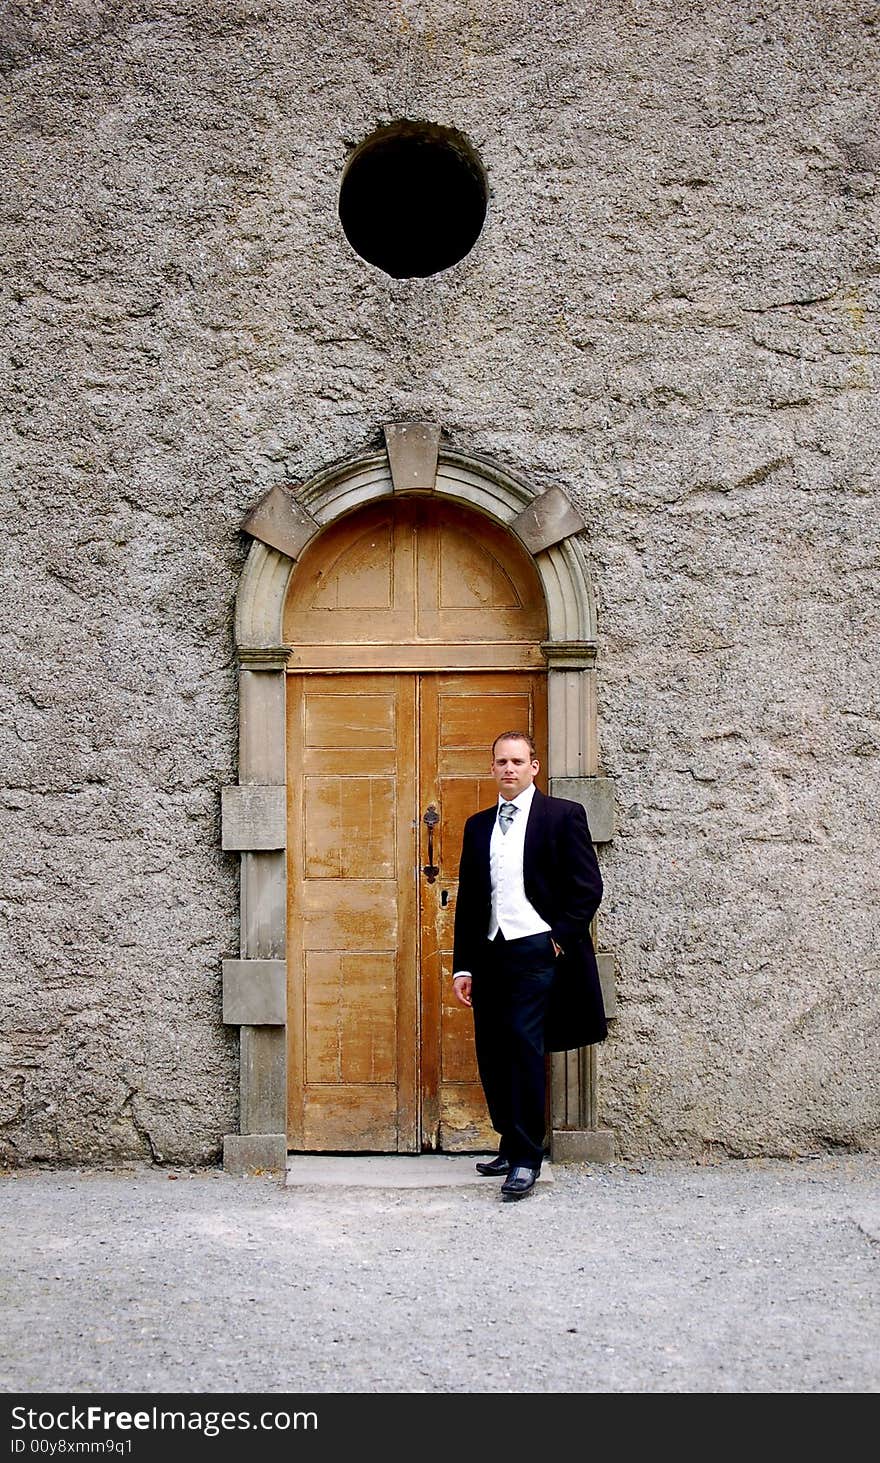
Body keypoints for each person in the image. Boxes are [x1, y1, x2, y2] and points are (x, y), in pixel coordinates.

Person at [452, 731, 606, 1201]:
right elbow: (471, 902)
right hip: (491, 951)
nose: (509, 769)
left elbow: (587, 888)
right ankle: (508, 1139)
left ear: (534, 767)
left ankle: (525, 1159)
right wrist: (464, 966)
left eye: (518, 761)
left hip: (538, 951)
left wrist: (558, 940)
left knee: (522, 1047)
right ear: (492, 767)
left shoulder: (562, 816)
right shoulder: (478, 826)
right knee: (493, 1051)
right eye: (501, 761)